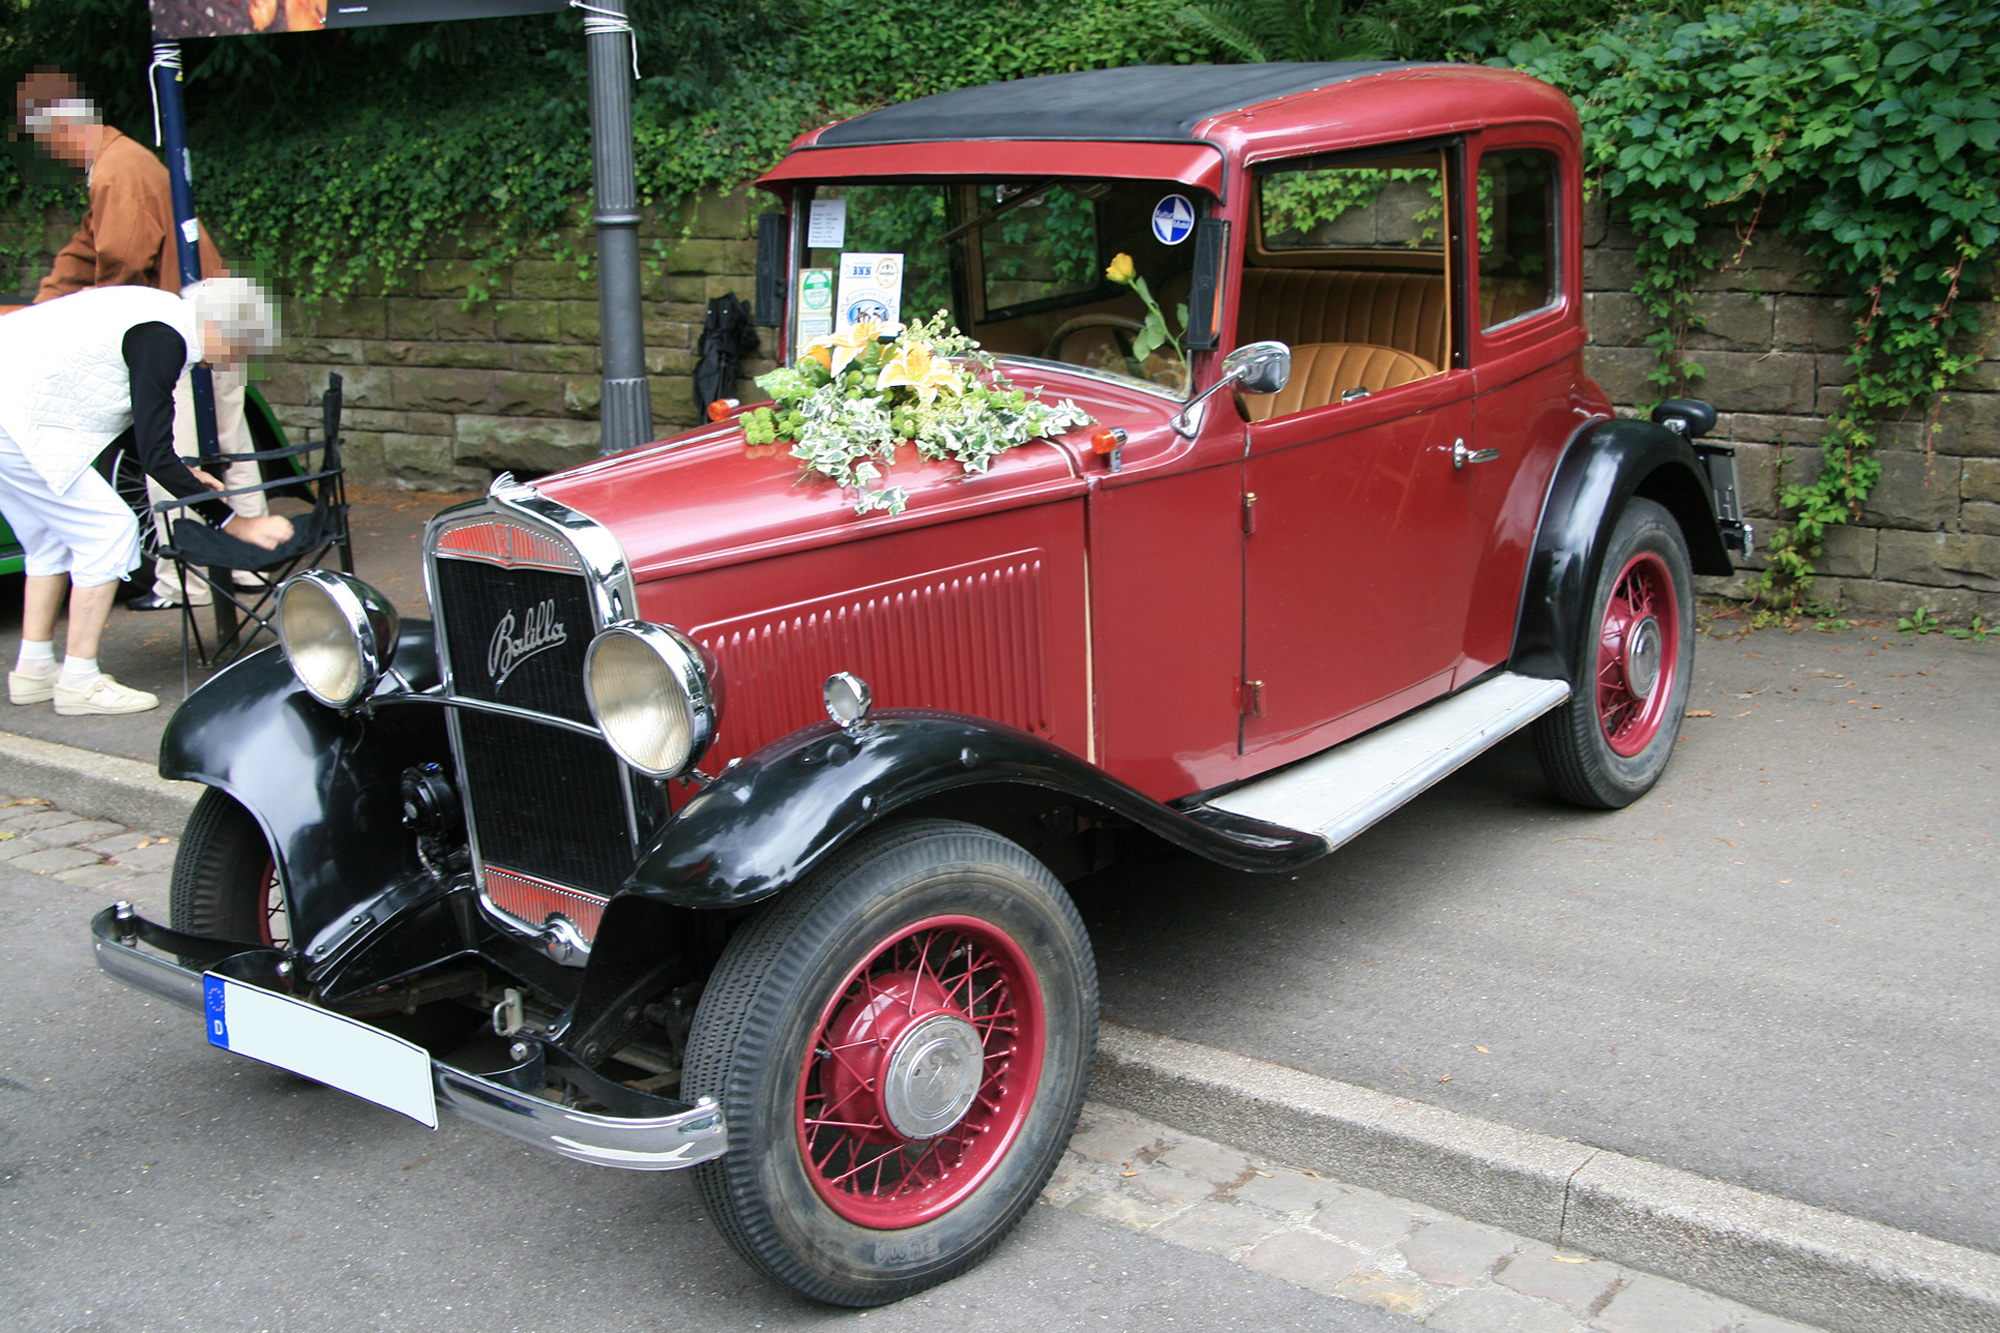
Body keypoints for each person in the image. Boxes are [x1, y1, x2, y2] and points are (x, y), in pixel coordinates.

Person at [15, 67, 271, 612]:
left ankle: (187, 584)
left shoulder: (115, 169)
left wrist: (90, 321)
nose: (49, 154)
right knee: (231, 441)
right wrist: (44, 304)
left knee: (172, 452)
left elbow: (121, 262)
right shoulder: (118, 163)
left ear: (61, 128)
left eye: (45, 141)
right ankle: (252, 568)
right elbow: (85, 251)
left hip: (183, 331)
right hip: (209, 320)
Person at [0, 281, 295, 715]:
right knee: (108, 530)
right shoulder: (163, 338)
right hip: (18, 417)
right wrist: (237, 523)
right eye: (242, 344)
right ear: (220, 326)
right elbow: (156, 456)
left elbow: (141, 431)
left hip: (12, 410)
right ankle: (79, 682)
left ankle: (34, 670)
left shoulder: (158, 315)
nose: (240, 358)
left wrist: (181, 471)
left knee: (51, 540)